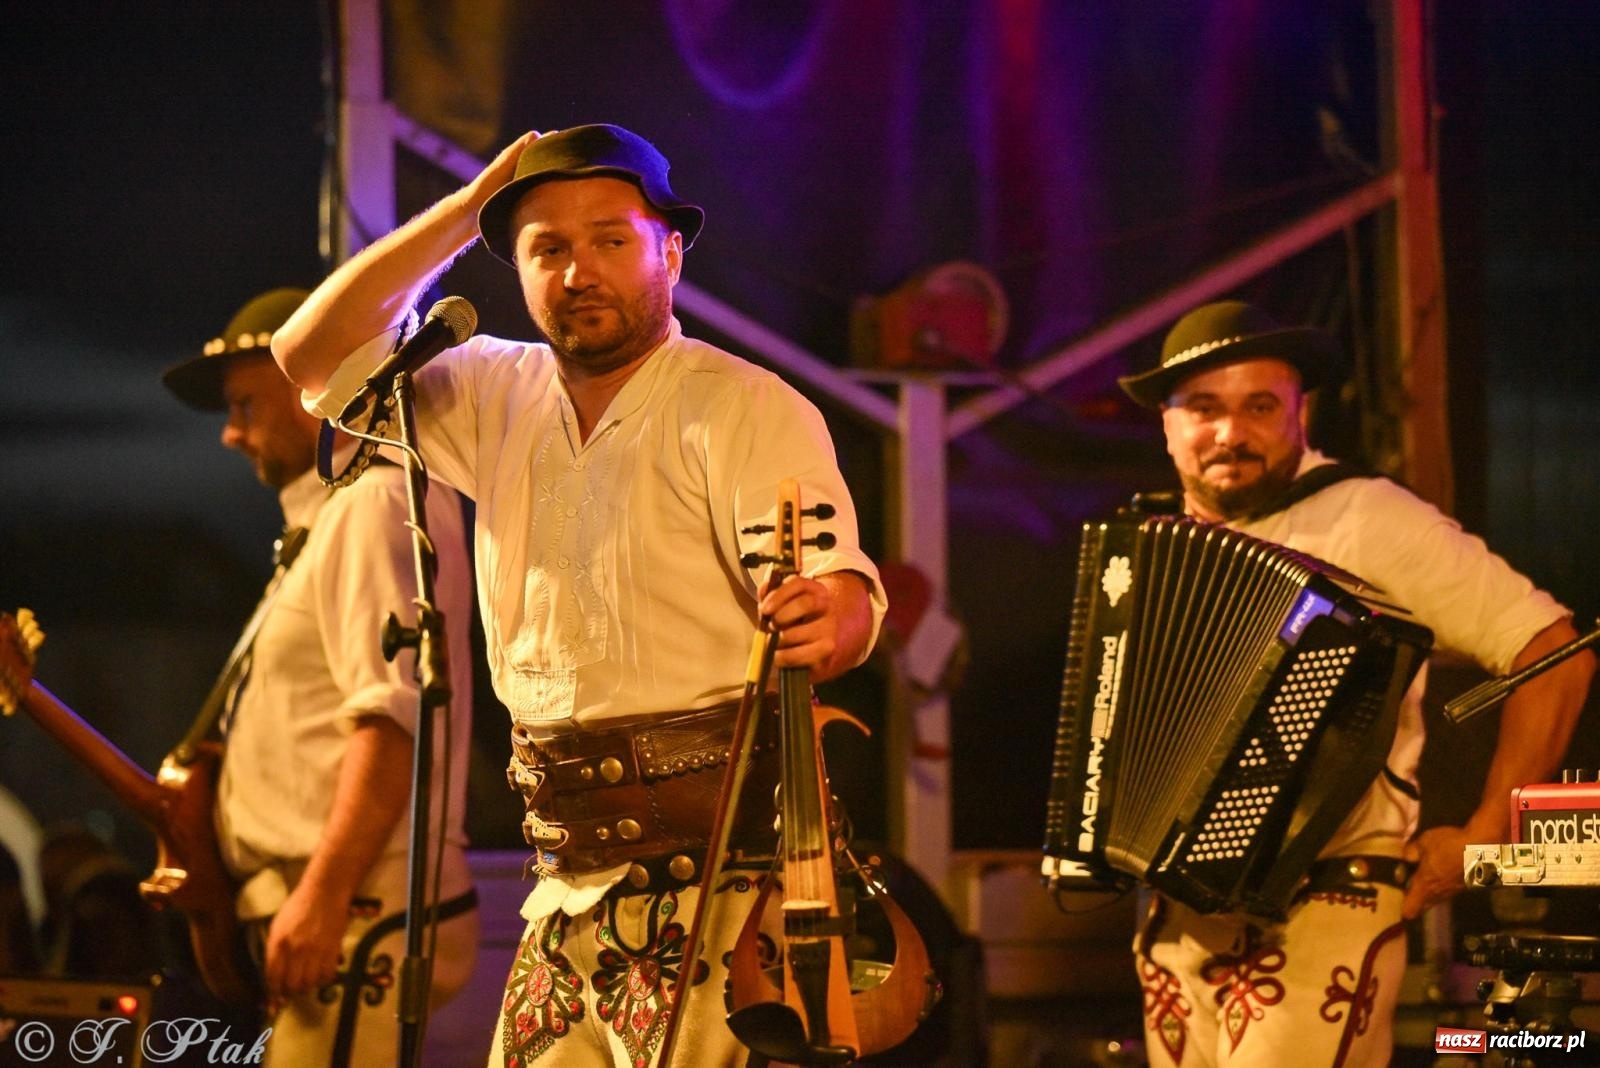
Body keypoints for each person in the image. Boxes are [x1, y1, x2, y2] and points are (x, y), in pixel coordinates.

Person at [271, 123, 885, 1066]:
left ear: (669, 253)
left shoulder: (743, 404)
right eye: (545, 248)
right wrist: (470, 206)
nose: (577, 271)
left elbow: (838, 591)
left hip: (721, 873)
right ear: (514, 269)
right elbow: (308, 351)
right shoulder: (488, 389)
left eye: (610, 240)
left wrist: (837, 614)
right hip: (564, 879)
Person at [1115, 299, 1594, 1067]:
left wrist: (1483, 833)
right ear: (1166, 424)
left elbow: (1555, 652)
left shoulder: (1366, 517)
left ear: (1302, 413)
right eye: (1203, 409)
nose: (1229, 434)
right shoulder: (1149, 543)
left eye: (1259, 407)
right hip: (1175, 913)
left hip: (1327, 895)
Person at [160, 288, 480, 1066]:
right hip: (338, 907)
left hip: (355, 907)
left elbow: (393, 716)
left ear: (316, 387)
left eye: (243, 404)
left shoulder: (373, 504)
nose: (232, 434)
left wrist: (324, 893)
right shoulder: (334, 516)